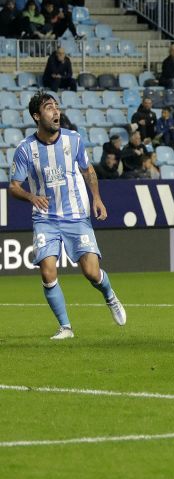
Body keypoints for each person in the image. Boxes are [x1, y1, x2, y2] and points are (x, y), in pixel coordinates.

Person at [8, 93, 126, 339]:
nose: (56, 111)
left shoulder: (74, 139)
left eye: (57, 107)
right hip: (45, 219)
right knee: (47, 271)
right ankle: (65, 327)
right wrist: (31, 197)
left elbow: (87, 170)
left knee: (91, 272)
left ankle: (110, 296)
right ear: (37, 116)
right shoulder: (25, 149)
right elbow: (14, 186)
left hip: (75, 215)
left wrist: (96, 198)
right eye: (49, 107)